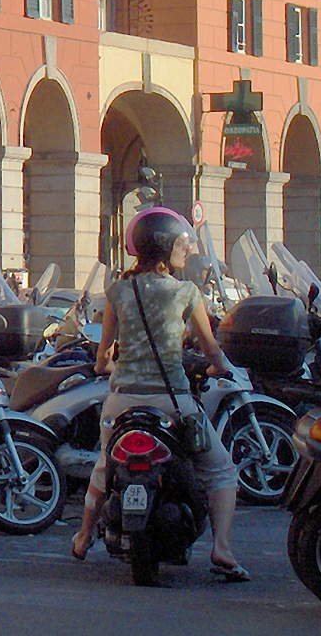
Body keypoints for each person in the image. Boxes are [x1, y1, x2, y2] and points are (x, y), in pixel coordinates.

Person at [70, 207, 247, 582]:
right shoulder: (186, 292)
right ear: (167, 246)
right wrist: (220, 368)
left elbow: (103, 357)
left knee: (105, 465)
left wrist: (113, 367)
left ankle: (84, 535)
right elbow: (211, 350)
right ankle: (223, 548)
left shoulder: (118, 290)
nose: (187, 248)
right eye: (182, 242)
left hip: (121, 402)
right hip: (173, 400)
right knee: (220, 470)